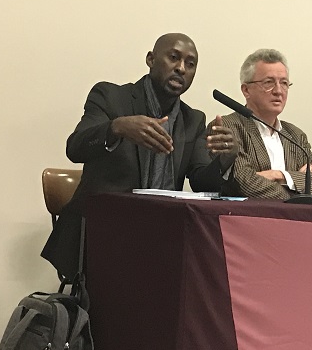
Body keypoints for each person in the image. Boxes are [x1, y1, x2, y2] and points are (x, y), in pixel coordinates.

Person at [41, 33, 239, 279]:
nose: (180, 68)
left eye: (190, 64)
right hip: (102, 235)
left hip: (162, 237)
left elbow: (201, 181)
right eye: (174, 58)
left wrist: (225, 160)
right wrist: (117, 127)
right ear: (150, 59)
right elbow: (75, 148)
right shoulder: (111, 97)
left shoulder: (193, 120)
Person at [218, 49, 312, 199]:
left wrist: (279, 176)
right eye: (269, 83)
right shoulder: (228, 127)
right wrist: (298, 190)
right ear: (246, 90)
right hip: (250, 219)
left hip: (295, 221)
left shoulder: (295, 135)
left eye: (284, 83)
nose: (279, 91)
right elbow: (244, 184)